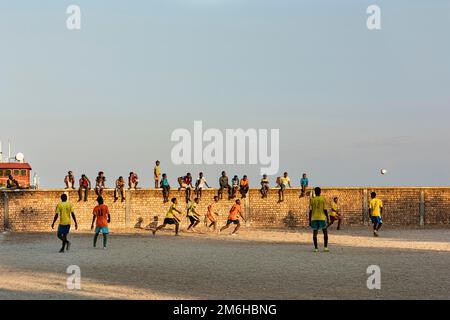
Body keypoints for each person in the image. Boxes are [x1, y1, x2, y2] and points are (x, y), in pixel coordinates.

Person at [309, 187, 330, 253]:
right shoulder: (322, 199)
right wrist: (328, 218)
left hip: (314, 218)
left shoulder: (312, 200)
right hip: (322, 218)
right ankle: (325, 247)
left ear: (315, 192)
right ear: (320, 192)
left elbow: (310, 211)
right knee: (325, 232)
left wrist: (309, 220)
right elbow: (325, 210)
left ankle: (316, 248)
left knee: (315, 234)